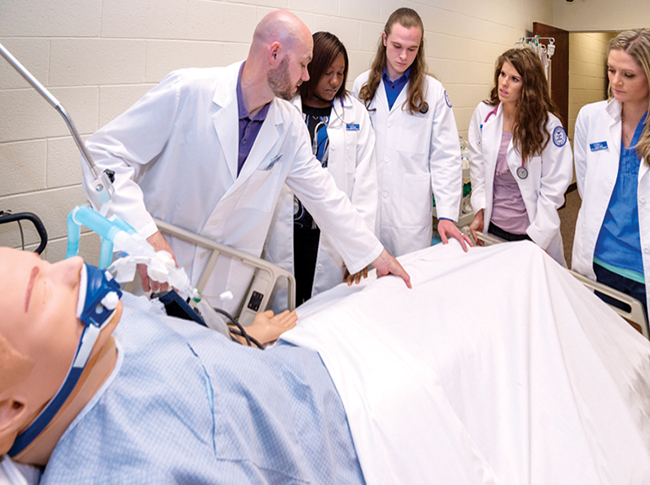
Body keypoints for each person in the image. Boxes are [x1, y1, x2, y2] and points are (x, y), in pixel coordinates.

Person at [2, 243, 649, 484]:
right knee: (505, 302)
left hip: (316, 346)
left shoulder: (112, 330)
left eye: (41, 259)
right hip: (361, 416)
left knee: (498, 267)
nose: (66, 264)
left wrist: (250, 332)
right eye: (44, 288)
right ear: (12, 409)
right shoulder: (129, 463)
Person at [81, 10, 410, 314]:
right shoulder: (189, 91)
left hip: (222, 292)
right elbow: (103, 154)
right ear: (275, 54)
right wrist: (144, 235)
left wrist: (376, 255)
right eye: (304, 64)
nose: (307, 76)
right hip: (157, 274)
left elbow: (324, 195)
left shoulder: (287, 125)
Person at [264, 32, 377, 307]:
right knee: (282, 308)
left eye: (340, 73)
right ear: (311, 70)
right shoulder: (282, 107)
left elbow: (366, 185)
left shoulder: (355, 113)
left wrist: (358, 249)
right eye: (327, 73)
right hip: (285, 230)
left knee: (324, 311)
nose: (335, 81)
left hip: (329, 235)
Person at [352, 7, 472, 258]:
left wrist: (448, 214)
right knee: (368, 285)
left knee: (409, 282)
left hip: (410, 215)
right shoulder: (362, 86)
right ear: (384, 39)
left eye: (412, 49)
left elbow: (446, 156)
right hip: (367, 208)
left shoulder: (433, 91)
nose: (404, 56)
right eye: (397, 46)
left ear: (420, 47)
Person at [467, 48, 573, 265]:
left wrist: (539, 238)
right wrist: (479, 210)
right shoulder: (484, 114)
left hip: (531, 231)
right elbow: (478, 169)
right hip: (493, 226)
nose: (504, 83)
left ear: (529, 87)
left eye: (514, 79)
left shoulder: (548, 126)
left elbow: (553, 189)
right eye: (502, 74)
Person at [572, 29, 650, 314]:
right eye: (611, 70)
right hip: (601, 260)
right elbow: (588, 185)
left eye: (628, 74)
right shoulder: (591, 118)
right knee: (601, 348)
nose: (616, 81)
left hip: (643, 269)